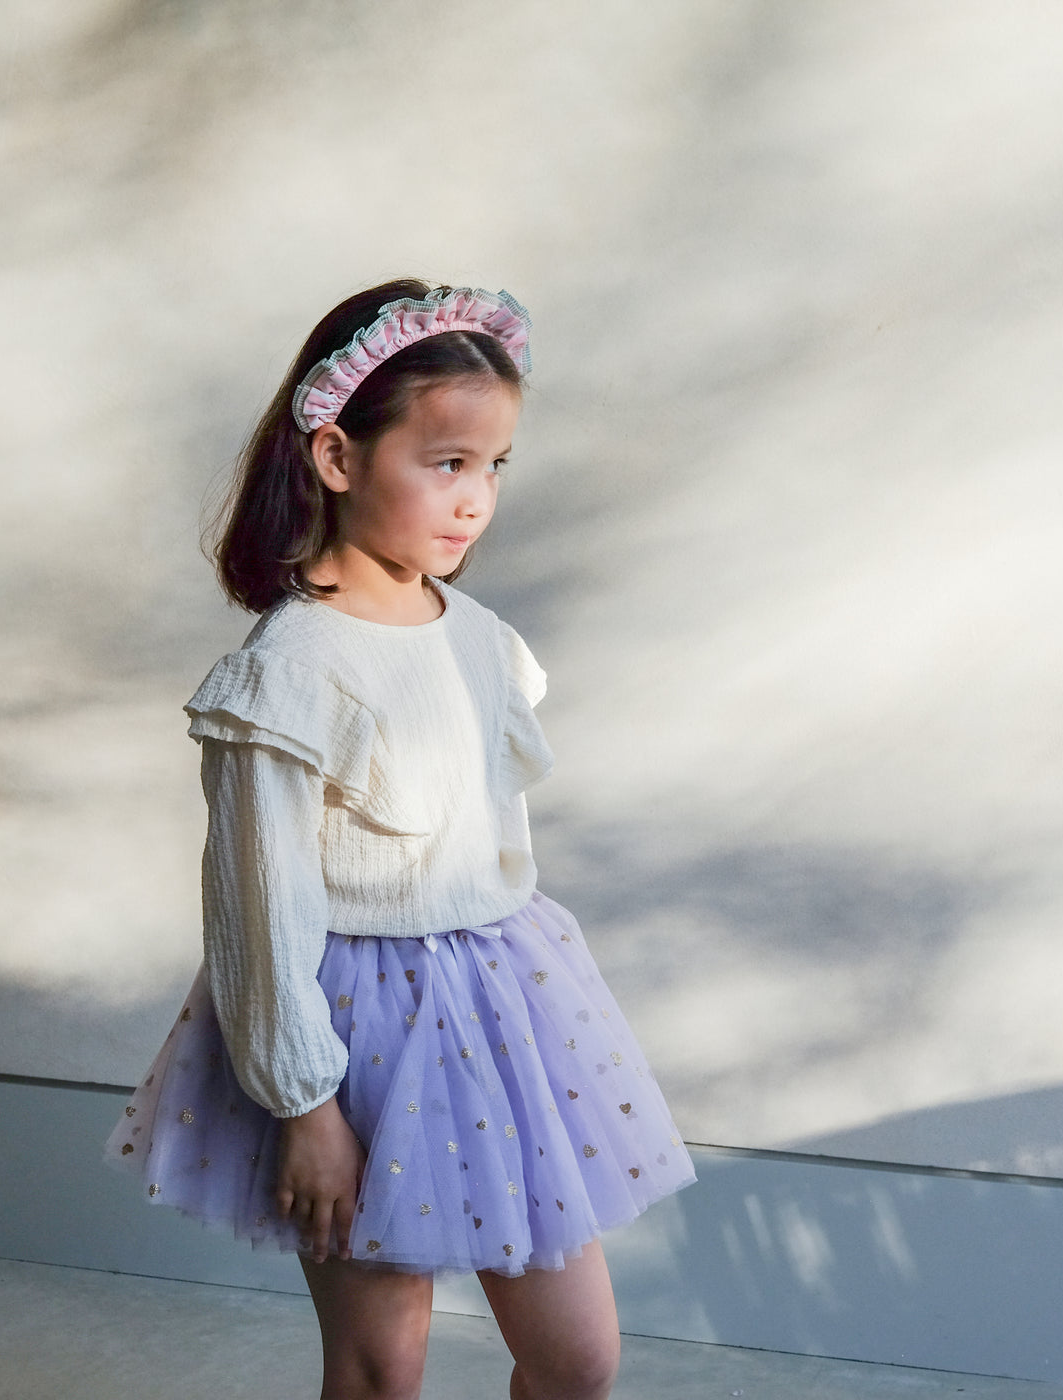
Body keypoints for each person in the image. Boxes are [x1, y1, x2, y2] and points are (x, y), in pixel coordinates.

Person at [106, 280, 696, 1400]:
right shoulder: (286, 676)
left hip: (504, 1007)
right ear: (336, 458)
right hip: (353, 1036)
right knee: (384, 1365)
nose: (474, 500)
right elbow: (255, 916)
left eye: (492, 466)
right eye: (444, 462)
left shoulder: (480, 639)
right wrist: (305, 1107)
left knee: (575, 1357)